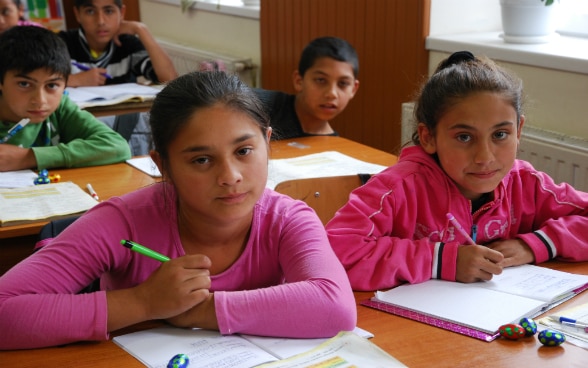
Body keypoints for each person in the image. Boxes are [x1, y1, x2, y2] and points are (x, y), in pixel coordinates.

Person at [0, 70, 357, 350]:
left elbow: (335, 307)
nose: (230, 177)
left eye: (244, 151)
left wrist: (203, 310)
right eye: (201, 159)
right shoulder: (123, 221)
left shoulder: (288, 218)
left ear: (266, 142)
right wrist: (143, 303)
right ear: (163, 164)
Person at [325, 51, 588, 291]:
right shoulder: (397, 188)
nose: (485, 157)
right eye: (464, 137)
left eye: (500, 134)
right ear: (428, 137)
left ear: (518, 131)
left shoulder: (526, 184)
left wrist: (536, 245)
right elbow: (333, 254)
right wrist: (440, 260)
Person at [0, 26, 131, 172]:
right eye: (24, 84)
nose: (40, 100)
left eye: (52, 85)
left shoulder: (60, 108)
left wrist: (29, 157)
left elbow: (118, 147)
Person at [58, 0, 178, 155]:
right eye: (90, 12)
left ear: (121, 13)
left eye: (108, 11)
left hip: (123, 130)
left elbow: (169, 79)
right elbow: (37, 81)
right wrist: (75, 80)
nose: (100, 21)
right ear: (77, 14)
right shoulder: (62, 43)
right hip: (75, 133)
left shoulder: (127, 44)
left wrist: (141, 30)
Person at [254, 36, 359, 140]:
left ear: (353, 89)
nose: (332, 93)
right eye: (321, 80)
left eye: (343, 83)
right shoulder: (255, 105)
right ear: (299, 81)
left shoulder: (332, 146)